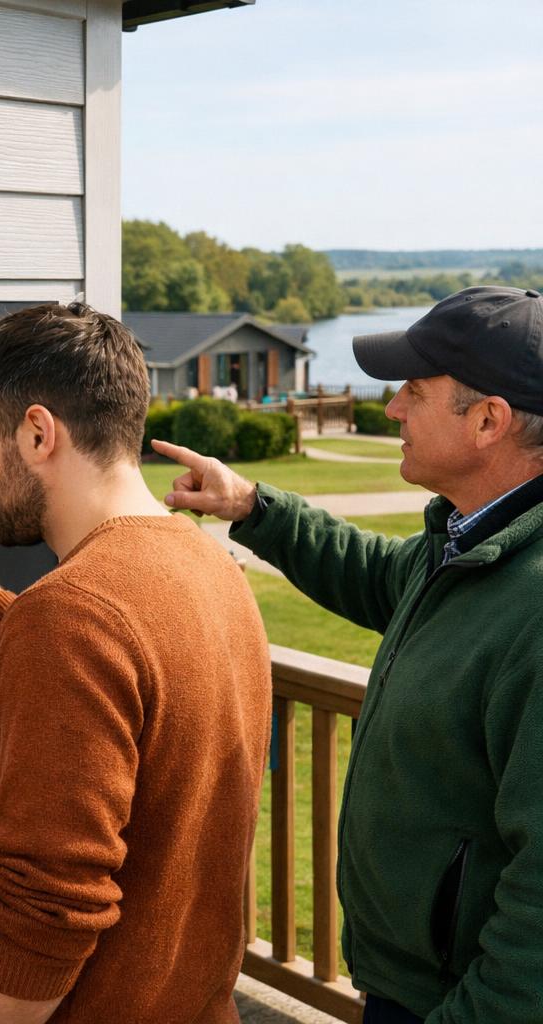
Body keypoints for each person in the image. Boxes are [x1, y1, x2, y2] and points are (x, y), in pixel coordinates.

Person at [156, 286, 543, 1024]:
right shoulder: (463, 544)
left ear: (488, 420)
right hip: (403, 983)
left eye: (414, 392)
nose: (392, 408)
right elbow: (369, 571)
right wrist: (253, 507)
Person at [0, 302, 271, 1024]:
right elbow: (140, 695)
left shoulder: (73, 619)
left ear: (39, 433)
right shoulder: (214, 569)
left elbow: (47, 913)